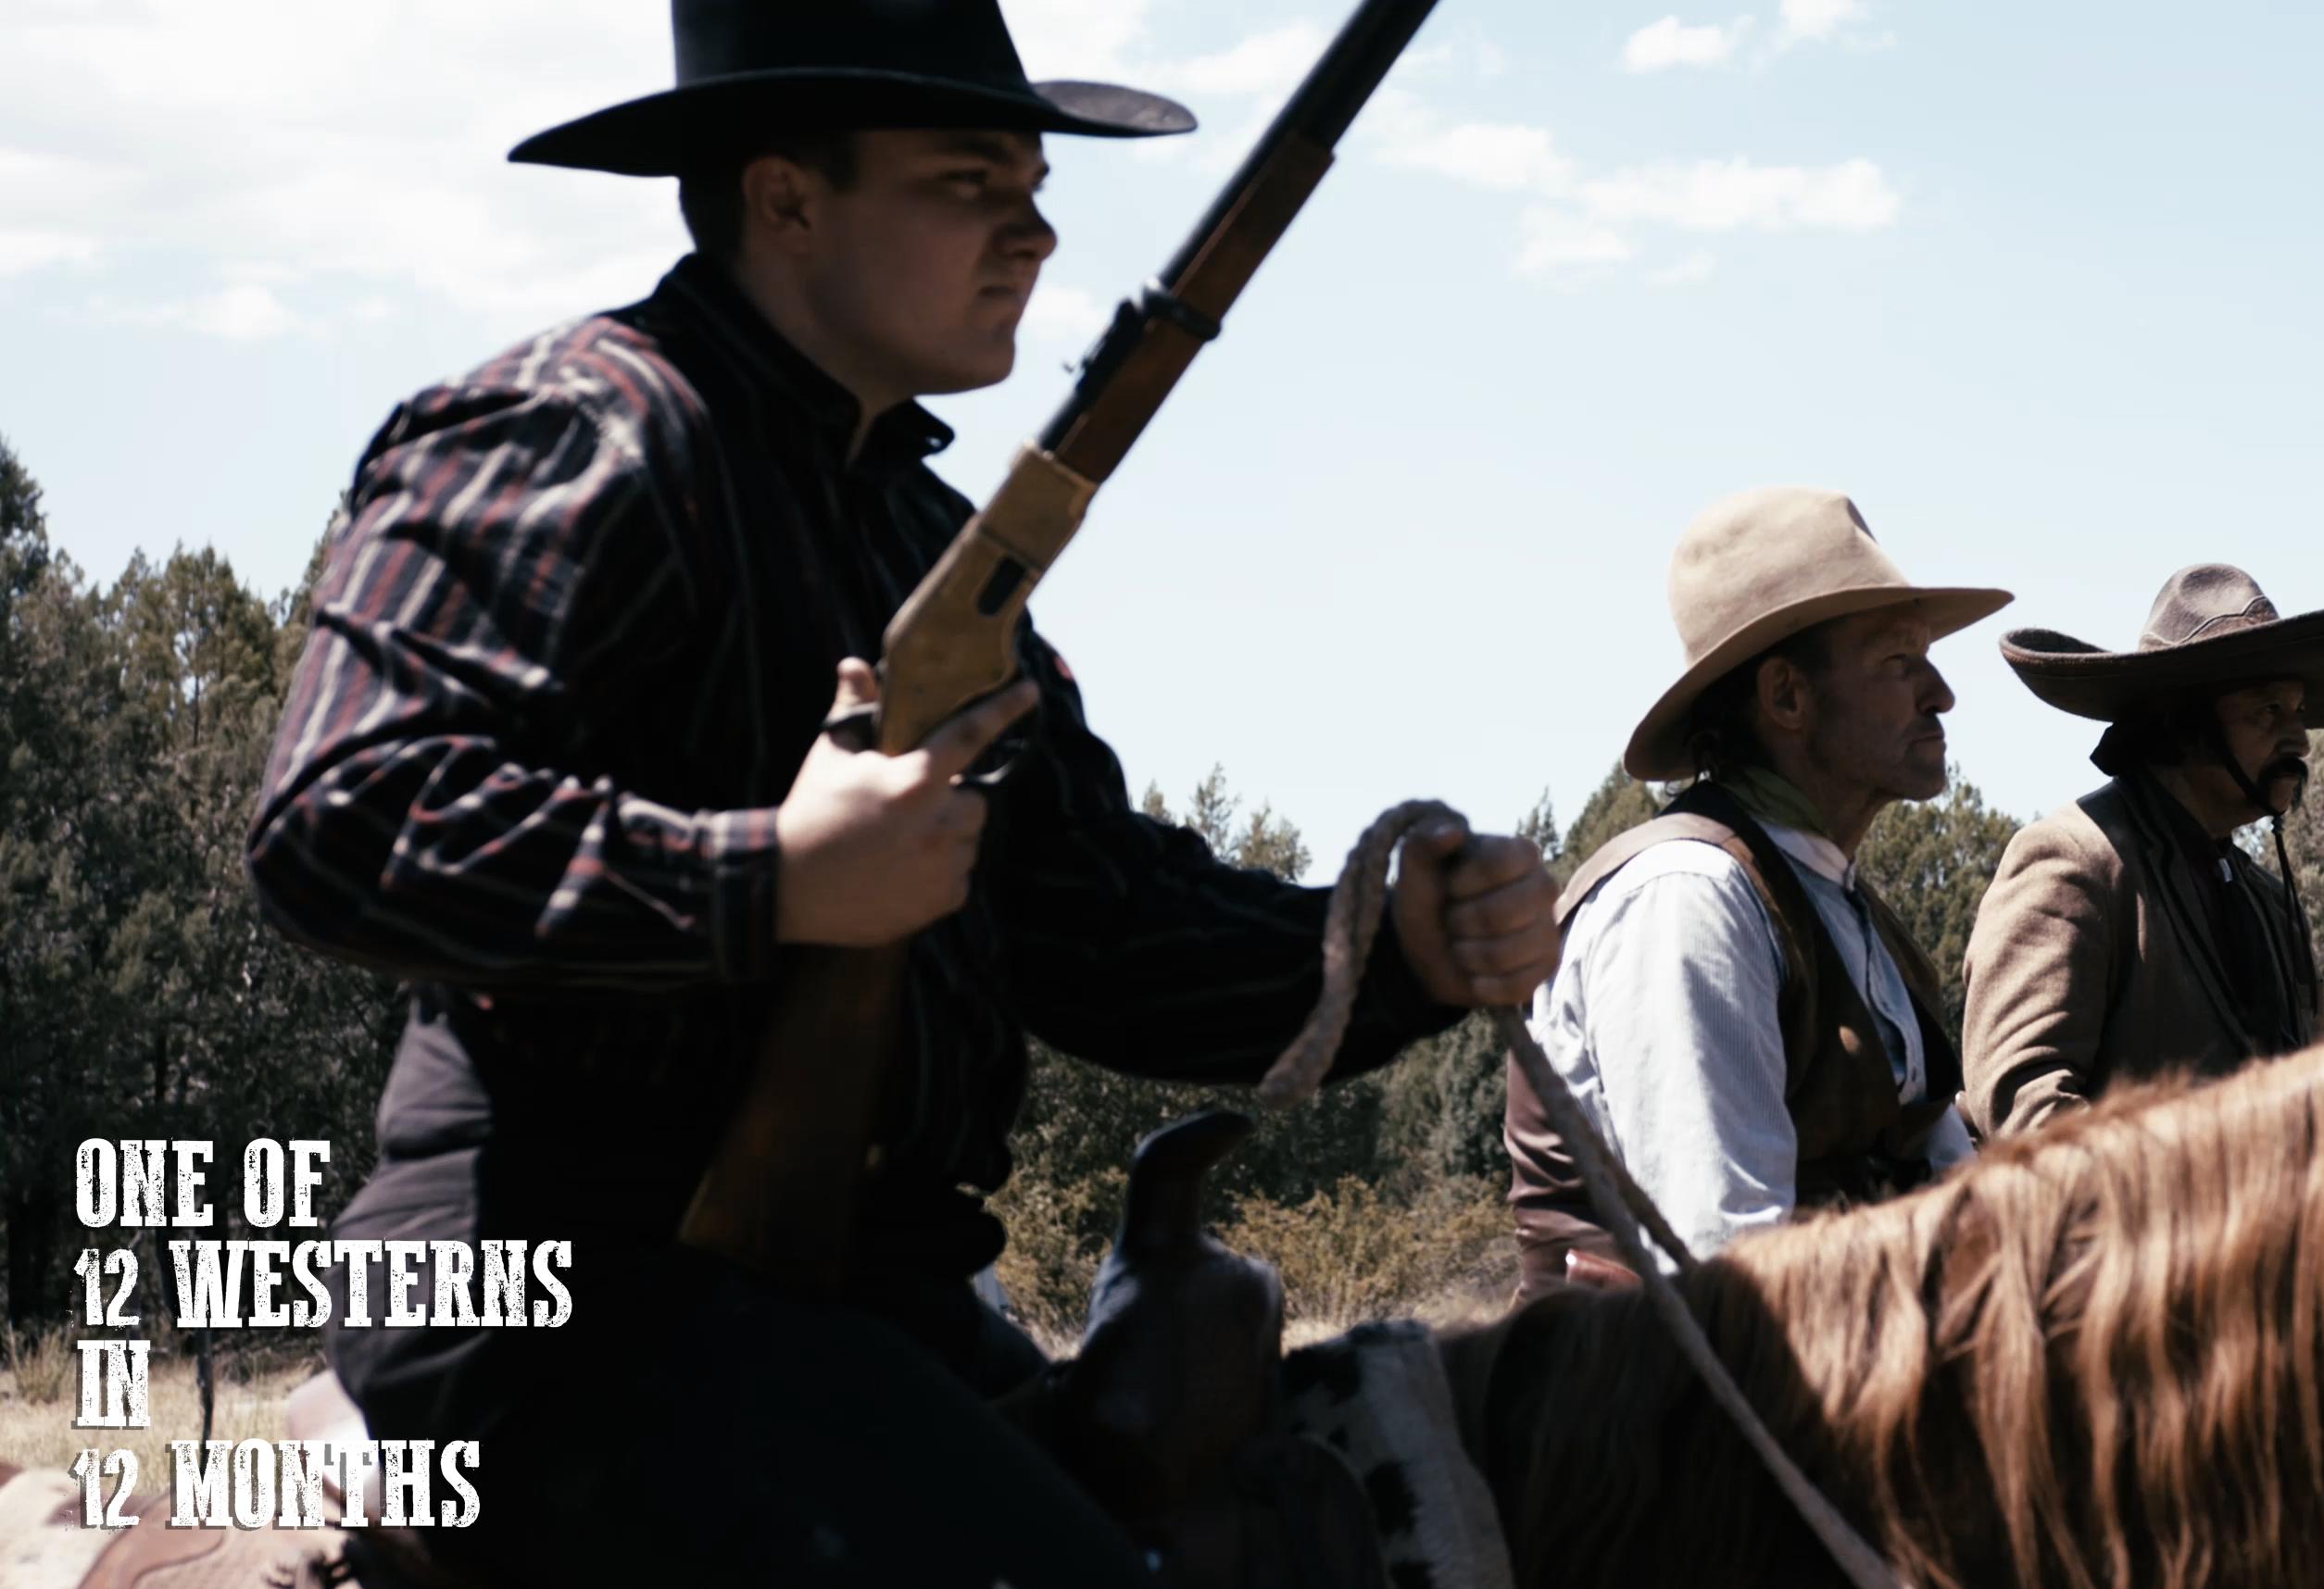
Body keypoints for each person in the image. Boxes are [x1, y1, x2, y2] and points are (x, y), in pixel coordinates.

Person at [242, 3, 1557, 1582]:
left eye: (1031, 179)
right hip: (559, 1307)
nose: (1038, 227)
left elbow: (1103, 925)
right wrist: (766, 878)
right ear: (788, 196)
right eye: (968, 179)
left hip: (858, 1310)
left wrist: (1391, 951)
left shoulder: (919, 535)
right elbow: (339, 817)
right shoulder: (577, 423)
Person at [1501, 487, 2010, 1291]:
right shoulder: (1687, 899)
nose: (1940, 693)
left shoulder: (1833, 897)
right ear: (1786, 698)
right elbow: (1732, 1265)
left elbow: (1951, 1181)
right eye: (1898, 661)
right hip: (1659, 1406)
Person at [1963, 564, 2324, 1136]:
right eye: (2268, 711)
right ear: (2184, 723)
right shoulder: (2072, 864)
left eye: (2298, 712)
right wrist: (2211, 1198)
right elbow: (2023, 1110)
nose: (2300, 740)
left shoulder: (2267, 903)